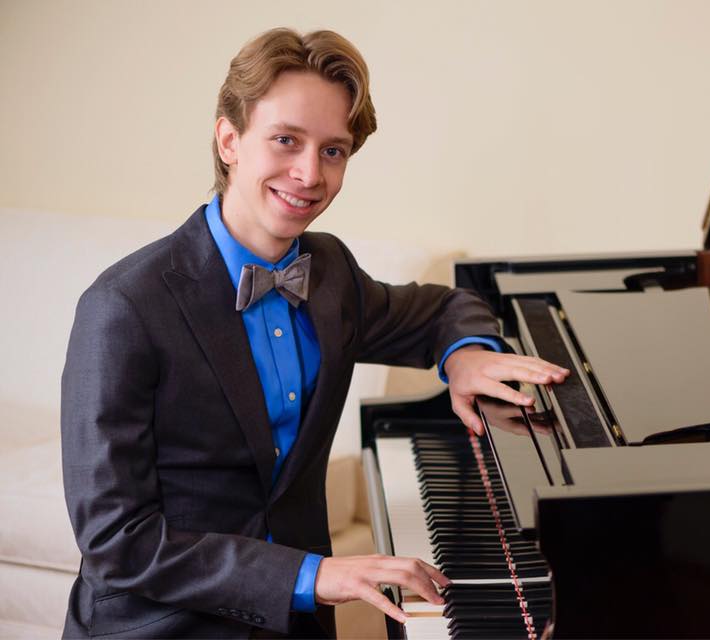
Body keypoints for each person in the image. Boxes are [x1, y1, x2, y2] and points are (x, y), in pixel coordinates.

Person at [60, 27, 568, 639]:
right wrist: (312, 576)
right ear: (229, 140)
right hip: (162, 628)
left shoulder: (328, 271)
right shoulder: (123, 307)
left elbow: (444, 310)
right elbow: (117, 542)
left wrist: (465, 357)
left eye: (333, 151)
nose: (308, 173)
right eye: (285, 140)